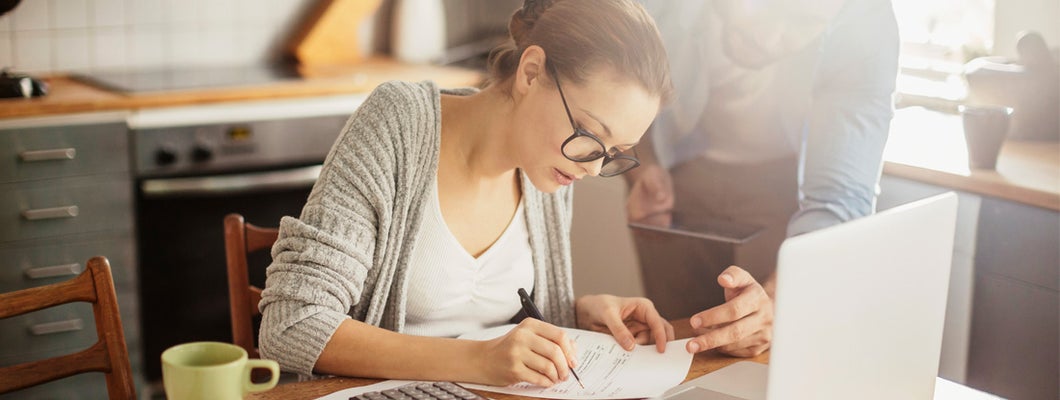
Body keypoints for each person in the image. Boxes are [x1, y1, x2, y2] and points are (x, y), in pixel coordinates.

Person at [258, 0, 675, 387]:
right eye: (588, 135)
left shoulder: (552, 167)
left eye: (615, 153)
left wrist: (579, 312)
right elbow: (292, 323)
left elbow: (500, 320)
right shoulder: (399, 125)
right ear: (531, 72)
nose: (593, 167)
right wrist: (476, 360)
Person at [629, 0, 899, 357]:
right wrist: (641, 164)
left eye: (802, 21)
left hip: (787, 190)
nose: (769, 39)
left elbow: (838, 197)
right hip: (675, 170)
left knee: (764, 346)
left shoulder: (865, 24)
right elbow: (614, 70)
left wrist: (777, 301)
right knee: (671, 348)